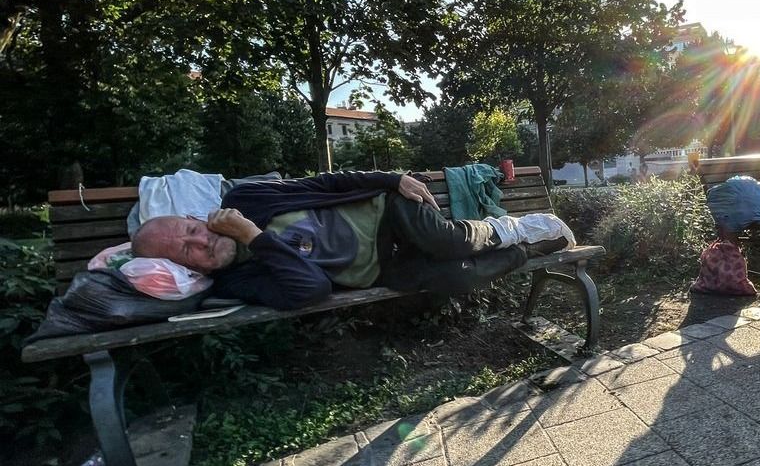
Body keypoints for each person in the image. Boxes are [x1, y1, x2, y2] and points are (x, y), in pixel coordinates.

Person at [130, 171, 570, 309]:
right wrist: (252, 236)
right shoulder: (233, 280)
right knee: (454, 277)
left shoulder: (244, 197)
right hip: (378, 269)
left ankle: (513, 227)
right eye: (187, 253)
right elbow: (312, 288)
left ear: (196, 218)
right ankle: (526, 250)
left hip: (383, 214)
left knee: (449, 242)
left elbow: (325, 182)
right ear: (187, 271)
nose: (200, 244)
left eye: (191, 231)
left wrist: (392, 178)